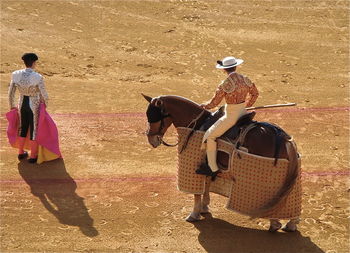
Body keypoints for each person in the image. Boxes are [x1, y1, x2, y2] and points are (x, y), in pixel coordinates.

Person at [196, 56, 259, 178]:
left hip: (231, 115)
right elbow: (255, 94)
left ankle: (212, 168)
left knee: (210, 136)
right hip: (243, 113)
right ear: (235, 66)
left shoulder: (225, 84)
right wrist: (247, 105)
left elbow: (214, 103)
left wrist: (205, 106)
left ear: (224, 70)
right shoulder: (245, 79)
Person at [8, 53, 49, 163]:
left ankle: (21, 153)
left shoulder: (15, 74)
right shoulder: (38, 77)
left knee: (23, 127)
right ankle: (33, 156)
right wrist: (45, 104)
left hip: (21, 103)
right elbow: (44, 94)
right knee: (34, 129)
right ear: (34, 63)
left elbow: (10, 93)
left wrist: (12, 106)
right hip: (33, 104)